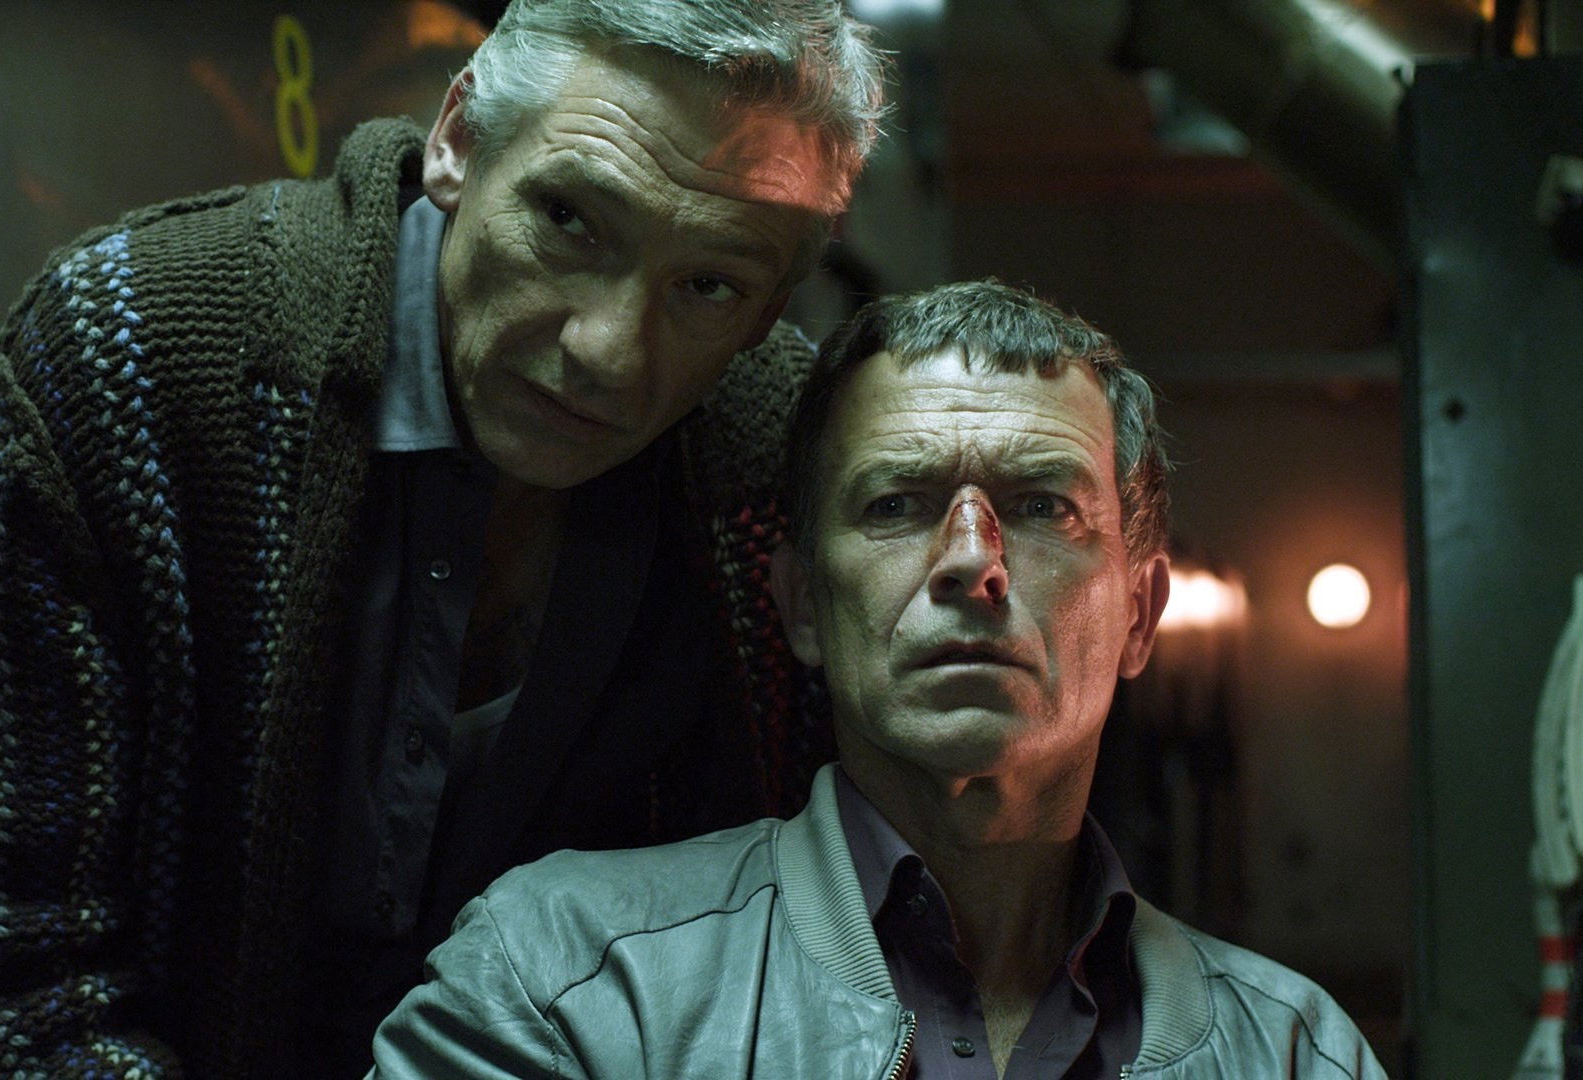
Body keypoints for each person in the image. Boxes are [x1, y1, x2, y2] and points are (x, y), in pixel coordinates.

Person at [0, 2, 885, 1074]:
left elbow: (838, 955)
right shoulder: (132, 351)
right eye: (570, 221)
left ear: (770, 309)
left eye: (709, 285)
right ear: (459, 140)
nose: (609, 352)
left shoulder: (784, 465)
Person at [369, 280, 1387, 1078]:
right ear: (804, 605)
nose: (972, 560)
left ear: (1139, 614)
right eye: (897, 503)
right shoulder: (569, 983)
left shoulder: (1296, 1053)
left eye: (1042, 506)